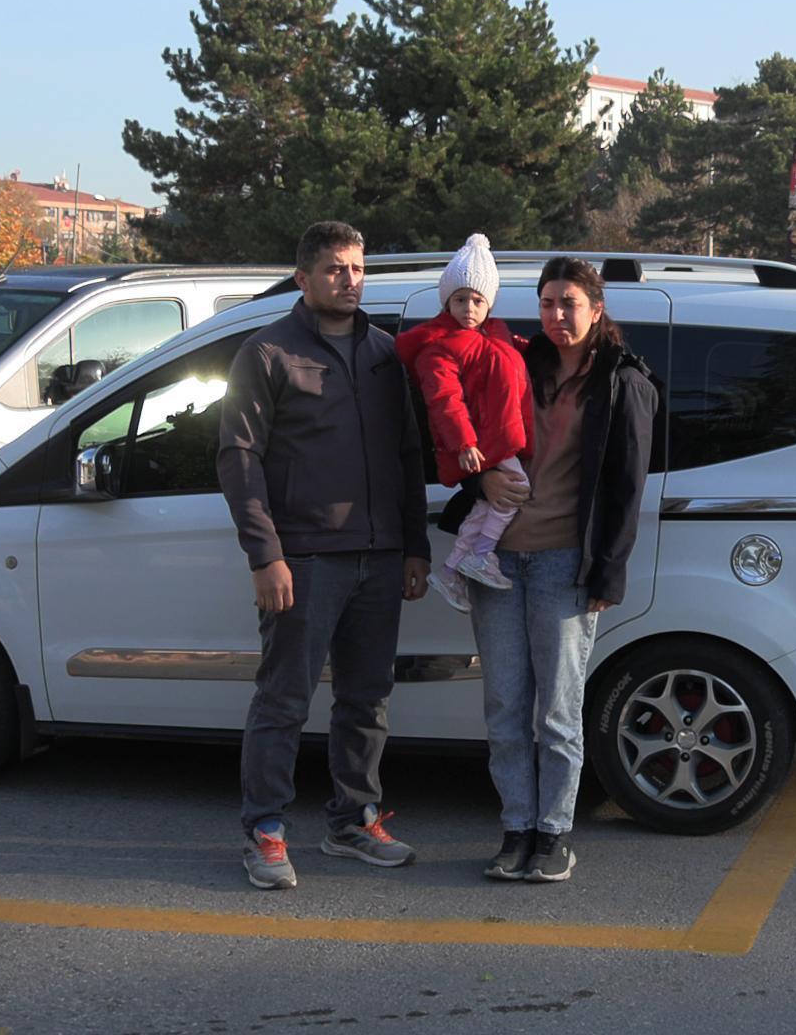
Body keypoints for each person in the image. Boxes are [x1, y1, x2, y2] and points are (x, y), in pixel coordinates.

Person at [215, 220, 432, 891]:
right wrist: (265, 555)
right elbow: (238, 457)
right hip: (304, 560)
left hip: (379, 556)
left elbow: (408, 455)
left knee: (367, 701)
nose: (350, 280)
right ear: (304, 277)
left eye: (358, 269)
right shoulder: (267, 352)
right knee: (283, 701)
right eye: (336, 269)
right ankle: (265, 832)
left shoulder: (385, 353)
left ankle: (352, 821)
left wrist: (414, 546)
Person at [450, 256, 656, 884]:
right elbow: (468, 436)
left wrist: (608, 572)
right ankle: (516, 829)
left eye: (570, 303)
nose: (557, 314)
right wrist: (480, 478)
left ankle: (554, 834)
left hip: (565, 563)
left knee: (558, 713)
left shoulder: (622, 381)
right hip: (496, 560)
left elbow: (627, 487)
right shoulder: (515, 361)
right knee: (504, 706)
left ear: (597, 309)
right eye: (547, 303)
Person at [393, 234, 531, 613]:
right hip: (482, 445)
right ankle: (480, 555)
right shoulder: (438, 347)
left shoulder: (493, 336)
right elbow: (444, 401)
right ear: (446, 302)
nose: (469, 308)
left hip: (495, 440)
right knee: (517, 489)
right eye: (460, 299)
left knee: (486, 506)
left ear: (490, 304)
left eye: (477, 300)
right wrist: (465, 443)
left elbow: (509, 354)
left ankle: (453, 569)